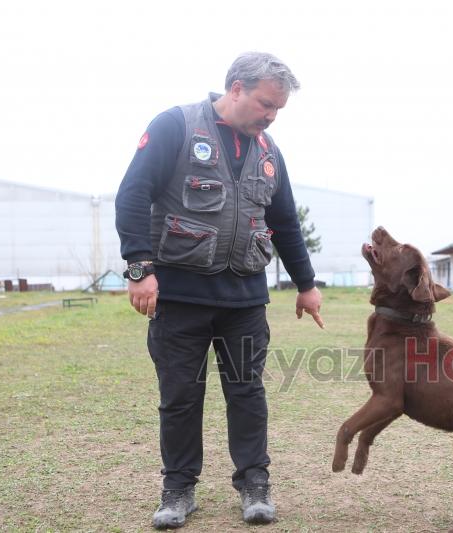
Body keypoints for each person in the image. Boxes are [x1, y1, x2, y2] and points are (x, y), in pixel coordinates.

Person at [115, 52, 324, 529]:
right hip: (180, 297)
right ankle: (178, 490)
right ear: (235, 88)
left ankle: (255, 484)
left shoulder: (269, 152)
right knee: (181, 397)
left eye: (278, 110)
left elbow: (285, 221)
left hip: (245, 301)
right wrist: (139, 268)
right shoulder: (176, 126)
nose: (271, 116)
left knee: (248, 393)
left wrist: (306, 285)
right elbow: (133, 193)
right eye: (266, 104)